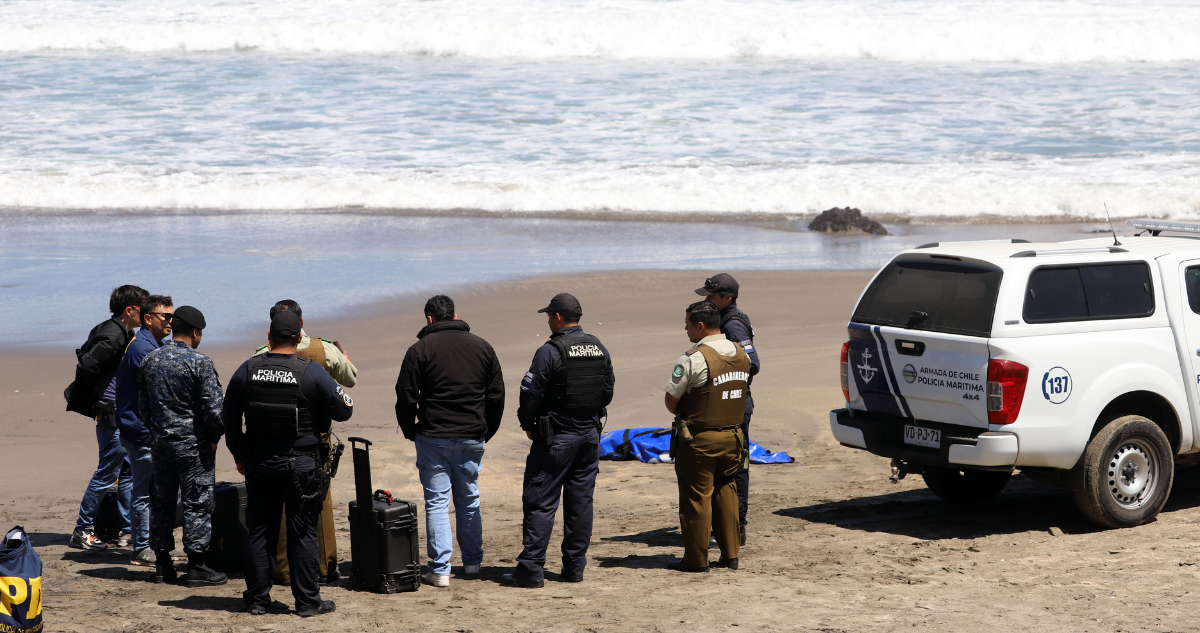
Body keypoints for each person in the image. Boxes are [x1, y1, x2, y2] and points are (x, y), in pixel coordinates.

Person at [224, 310, 353, 617]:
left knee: (259, 531)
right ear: (298, 338)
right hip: (301, 467)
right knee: (303, 533)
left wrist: (238, 455)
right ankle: (307, 603)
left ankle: (257, 600)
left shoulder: (248, 368)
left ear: (269, 337)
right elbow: (344, 410)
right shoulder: (310, 371)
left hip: (259, 465)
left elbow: (228, 417)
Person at [501, 293, 614, 589]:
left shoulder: (550, 350)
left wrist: (528, 423)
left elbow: (531, 393)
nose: (549, 320)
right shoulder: (598, 347)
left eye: (549, 315)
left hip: (556, 439)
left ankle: (530, 571)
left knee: (540, 502)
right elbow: (607, 392)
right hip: (589, 436)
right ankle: (574, 568)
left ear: (558, 317)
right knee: (580, 504)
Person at [395, 295, 504, 587]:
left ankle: (441, 569)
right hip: (471, 435)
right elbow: (496, 395)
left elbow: (405, 395)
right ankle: (472, 563)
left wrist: (410, 430)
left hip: (434, 436)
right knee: (469, 500)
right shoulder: (482, 346)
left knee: (437, 503)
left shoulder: (420, 349)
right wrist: (487, 430)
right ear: (455, 315)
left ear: (430, 319)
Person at [255, 300, 357, 585]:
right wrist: (343, 359)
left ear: (271, 329)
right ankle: (325, 567)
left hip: (273, 442)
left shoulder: (261, 356)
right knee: (319, 503)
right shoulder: (324, 350)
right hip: (316, 439)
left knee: (282, 507)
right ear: (301, 325)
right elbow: (351, 379)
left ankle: (284, 570)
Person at [137, 306, 226, 587]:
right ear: (196, 333)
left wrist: (160, 431)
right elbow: (214, 411)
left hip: (162, 445)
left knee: (161, 504)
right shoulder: (199, 363)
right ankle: (197, 565)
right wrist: (214, 437)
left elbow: (143, 408)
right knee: (197, 503)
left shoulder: (150, 360)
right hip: (194, 447)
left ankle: (163, 564)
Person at [663, 301, 749, 573]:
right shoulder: (740, 353)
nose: (685, 328)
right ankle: (731, 555)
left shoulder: (694, 358)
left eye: (687, 323)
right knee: (727, 492)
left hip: (701, 440)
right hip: (734, 437)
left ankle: (696, 560)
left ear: (700, 326)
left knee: (696, 497)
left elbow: (671, 401)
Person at [67, 284, 147, 551]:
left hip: (117, 410)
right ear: (130, 310)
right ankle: (83, 529)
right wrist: (97, 394)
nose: (147, 314)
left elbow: (84, 352)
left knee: (126, 472)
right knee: (107, 472)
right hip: (111, 412)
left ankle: (126, 530)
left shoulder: (118, 329)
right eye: (143, 309)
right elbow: (87, 364)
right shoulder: (114, 334)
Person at [695, 273, 759, 545]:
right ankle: (727, 526)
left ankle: (737, 527)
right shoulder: (722, 321)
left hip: (735, 406)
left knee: (736, 468)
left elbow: (753, 363)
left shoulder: (733, 325)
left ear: (726, 298)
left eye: (711, 296)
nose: (707, 300)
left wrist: (720, 374)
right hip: (729, 404)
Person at [113, 294, 173, 567]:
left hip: (139, 427)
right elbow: (159, 391)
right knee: (143, 492)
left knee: (148, 489)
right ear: (148, 319)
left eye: (172, 316)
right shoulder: (142, 349)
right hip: (140, 429)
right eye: (166, 316)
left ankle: (148, 543)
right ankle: (142, 547)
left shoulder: (150, 343)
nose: (171, 321)